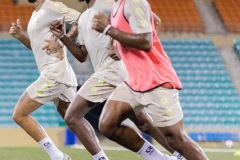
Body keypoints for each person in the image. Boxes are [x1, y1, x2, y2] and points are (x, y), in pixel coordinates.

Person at [47, 0, 185, 159]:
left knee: (72, 117)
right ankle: (173, 156)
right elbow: (81, 55)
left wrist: (122, 47)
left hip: (112, 71)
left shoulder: (107, 4)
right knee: (145, 123)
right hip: (114, 73)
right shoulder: (84, 17)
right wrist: (63, 36)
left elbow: (155, 21)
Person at [92, 0, 209, 159]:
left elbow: (146, 42)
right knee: (108, 124)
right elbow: (156, 21)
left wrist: (108, 29)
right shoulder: (117, 4)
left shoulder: (133, 2)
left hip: (155, 81)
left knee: (175, 138)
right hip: (134, 82)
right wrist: (121, 48)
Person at [9, 0, 80, 159]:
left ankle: (58, 157)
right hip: (60, 74)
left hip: (54, 73)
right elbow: (37, 47)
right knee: (76, 122)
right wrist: (20, 36)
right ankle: (101, 156)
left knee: (19, 114)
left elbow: (82, 19)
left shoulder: (52, 6)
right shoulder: (35, 14)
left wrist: (63, 39)